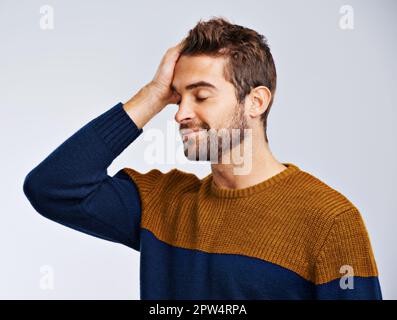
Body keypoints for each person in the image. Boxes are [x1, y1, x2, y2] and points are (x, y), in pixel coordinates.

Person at [23, 17, 382, 300]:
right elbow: (51, 187)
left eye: (202, 96)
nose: (180, 114)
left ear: (256, 102)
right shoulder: (161, 203)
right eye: (177, 98)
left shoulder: (330, 221)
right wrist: (151, 95)